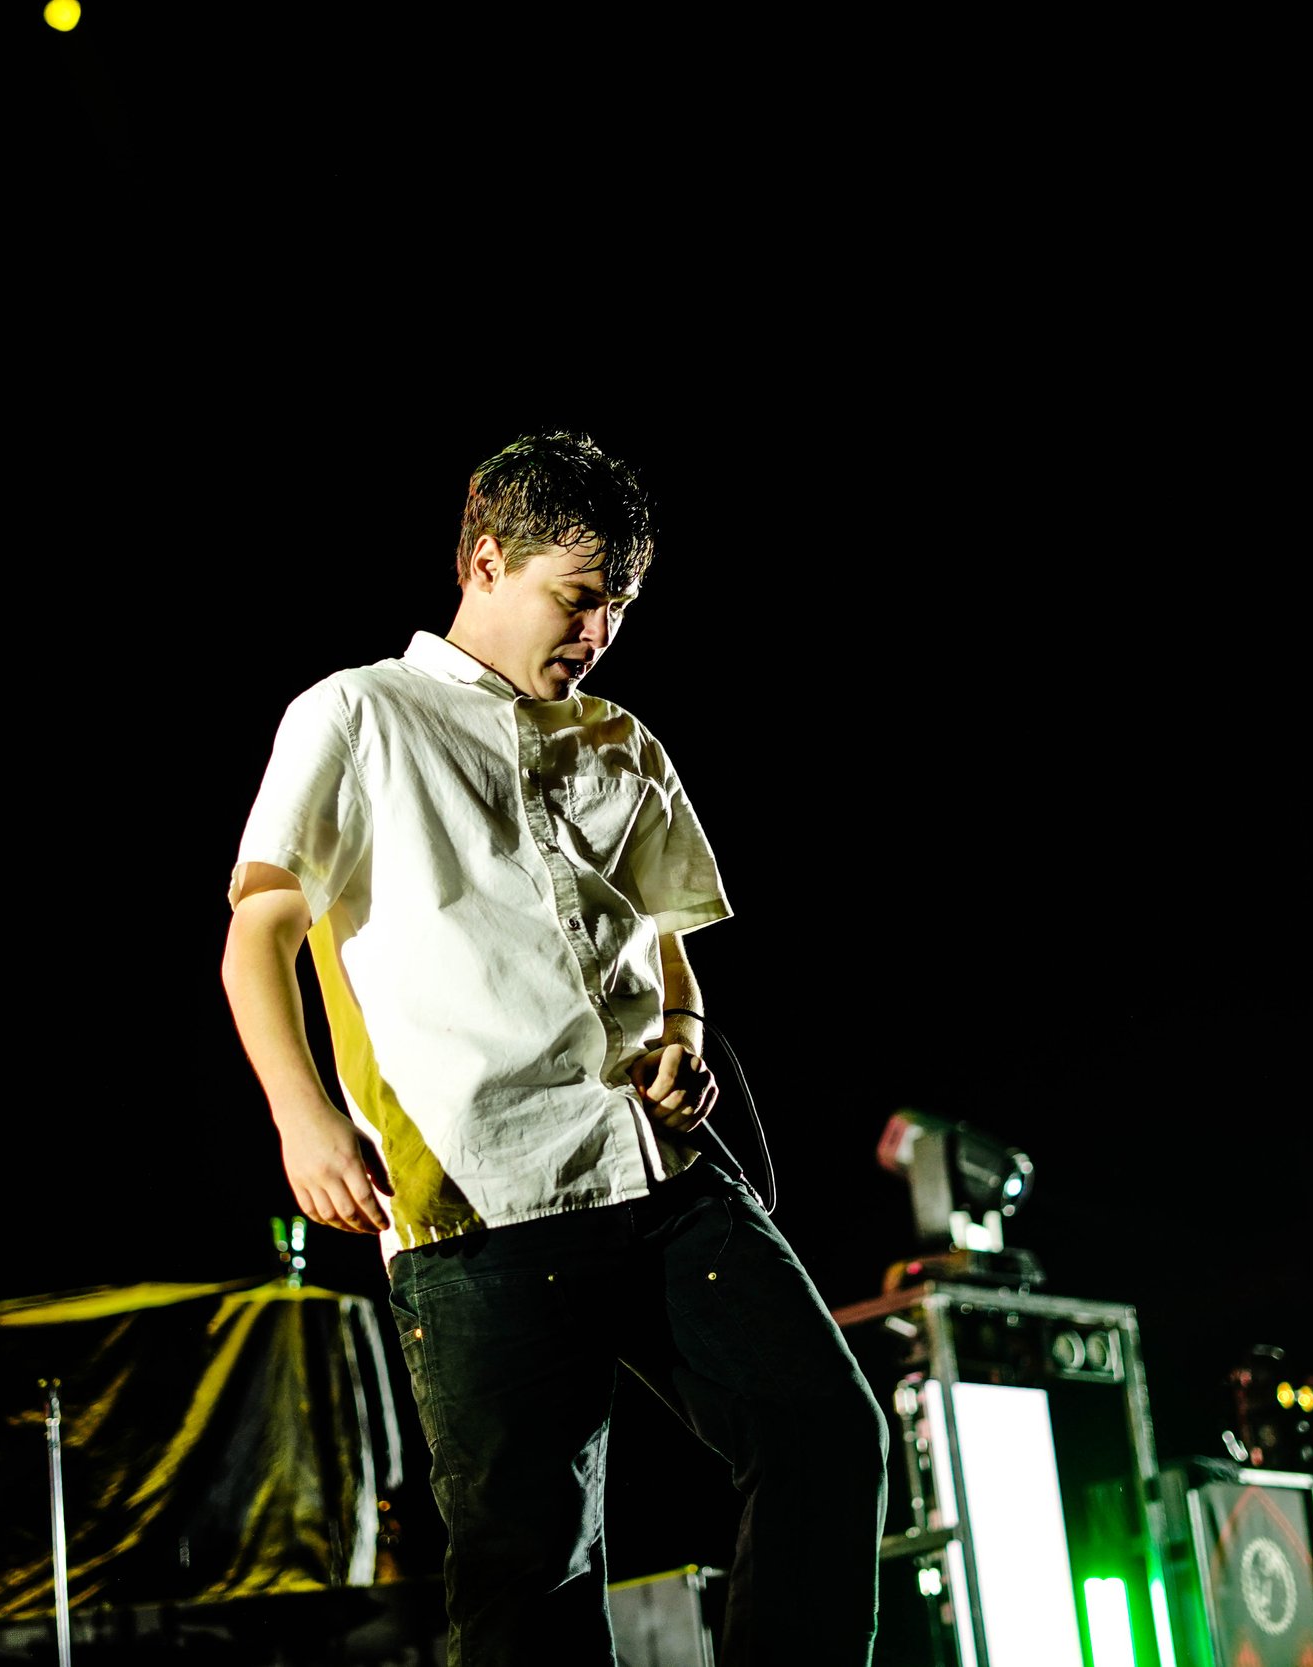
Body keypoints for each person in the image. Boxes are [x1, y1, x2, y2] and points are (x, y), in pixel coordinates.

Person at [222, 432, 887, 1665]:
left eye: (619, 608)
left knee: (828, 1433)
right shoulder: (358, 712)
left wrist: (681, 1038)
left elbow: (671, 949)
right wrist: (301, 1117)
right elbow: (257, 930)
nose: (595, 634)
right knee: (532, 1572)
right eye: (575, 599)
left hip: (664, 1178)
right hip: (481, 1210)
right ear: (486, 560)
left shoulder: (622, 741)